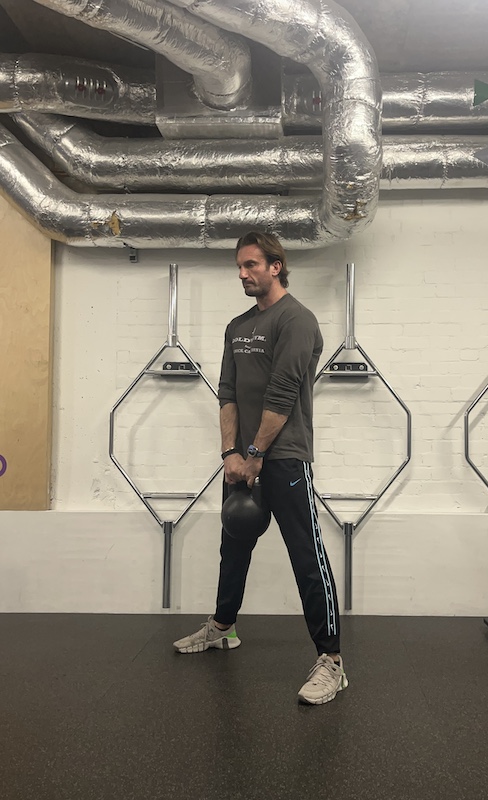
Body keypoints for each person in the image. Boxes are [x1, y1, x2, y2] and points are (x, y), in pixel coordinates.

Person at [173, 231, 346, 705]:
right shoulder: (236, 326)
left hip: (284, 456)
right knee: (234, 547)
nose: (244, 274)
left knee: (306, 557)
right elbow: (227, 391)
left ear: (276, 265)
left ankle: (331, 662)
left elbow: (282, 393)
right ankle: (223, 628)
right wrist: (230, 454)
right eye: (239, 267)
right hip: (241, 461)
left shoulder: (297, 320)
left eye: (251, 265)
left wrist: (255, 454)